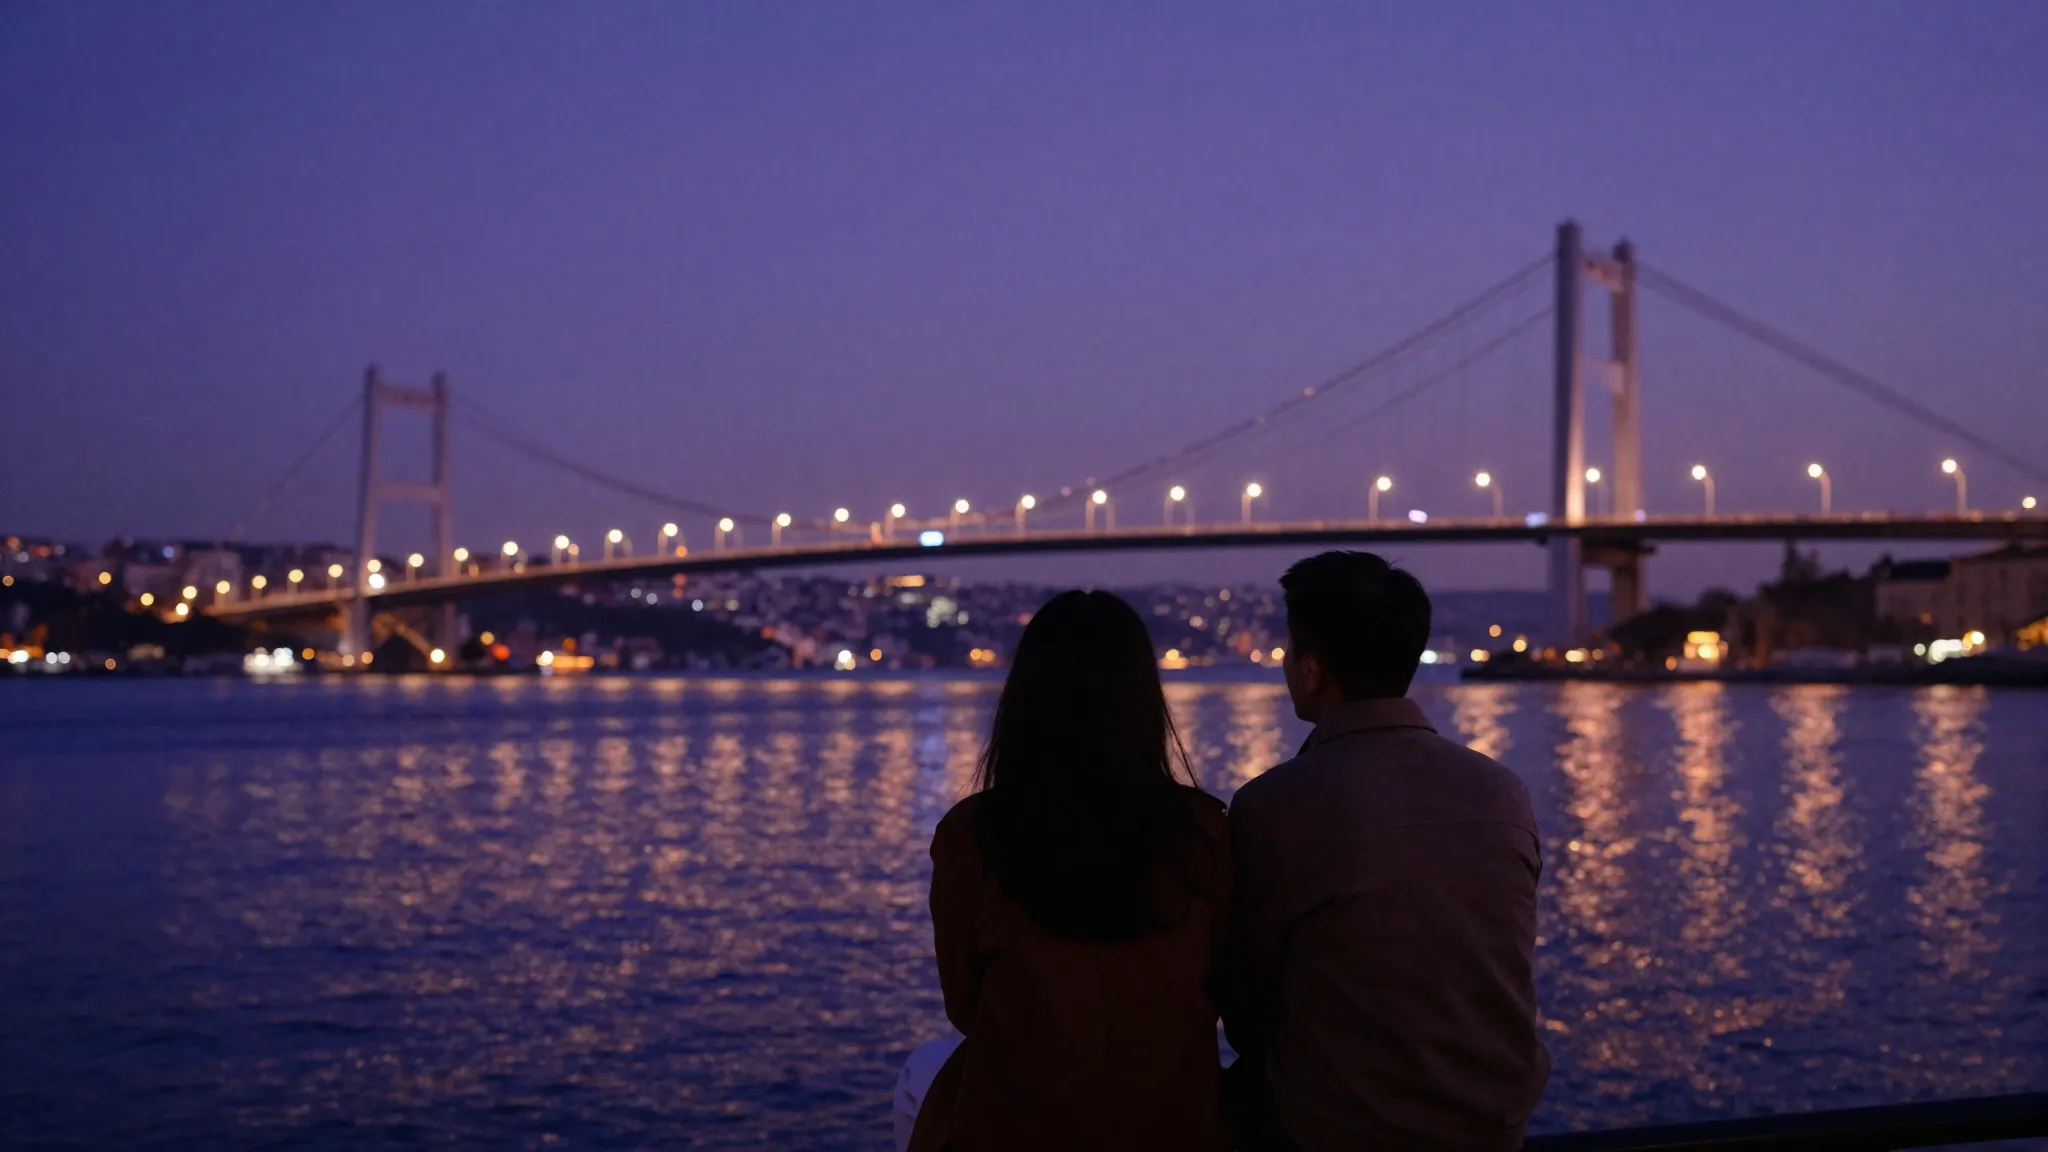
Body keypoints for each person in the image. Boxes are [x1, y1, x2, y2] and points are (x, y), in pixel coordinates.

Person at [1222, 551, 1548, 1150]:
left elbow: (1246, 1008)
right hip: (1493, 1132)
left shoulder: (1273, 806)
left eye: (1289, 649)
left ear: (1312, 671)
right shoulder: (1504, 792)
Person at [905, 590, 1232, 1152]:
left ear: (1024, 701)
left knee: (925, 1080)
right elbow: (1227, 986)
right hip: (1172, 1122)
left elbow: (965, 1006)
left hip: (1019, 1127)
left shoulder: (972, 836)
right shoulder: (1203, 831)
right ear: (1142, 701)